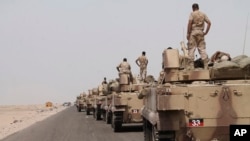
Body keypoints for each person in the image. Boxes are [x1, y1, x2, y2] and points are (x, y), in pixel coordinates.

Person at [186, 3, 211, 69]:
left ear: (193, 8)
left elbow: (189, 23)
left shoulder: (192, 14)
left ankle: (191, 66)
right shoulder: (203, 14)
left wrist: (188, 33)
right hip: (201, 32)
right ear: (198, 7)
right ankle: (206, 65)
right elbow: (209, 23)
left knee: (191, 49)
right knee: (202, 49)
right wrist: (206, 32)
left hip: (193, 32)